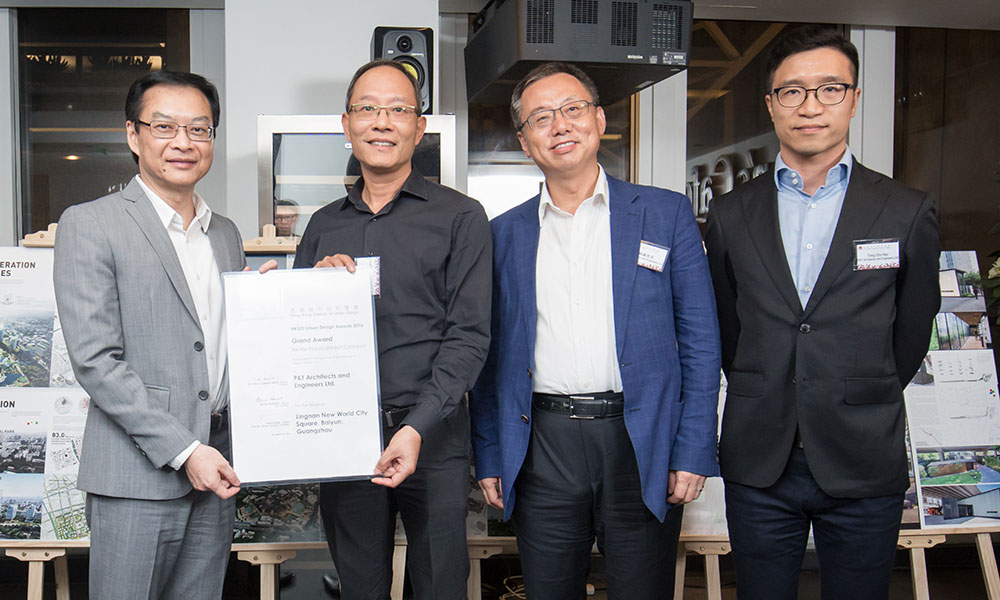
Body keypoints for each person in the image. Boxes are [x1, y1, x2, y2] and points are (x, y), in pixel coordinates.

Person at [705, 25, 941, 600]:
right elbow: (728, 327)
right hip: (761, 456)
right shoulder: (731, 213)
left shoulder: (905, 210)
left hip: (862, 452)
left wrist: (859, 387)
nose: (810, 107)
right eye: (792, 91)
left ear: (854, 99)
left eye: (830, 89)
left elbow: (913, 328)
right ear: (771, 104)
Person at [470, 62, 721, 599]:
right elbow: (490, 358)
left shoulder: (665, 214)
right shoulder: (502, 235)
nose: (559, 125)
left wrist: (694, 448)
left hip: (641, 440)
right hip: (542, 446)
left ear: (600, 120)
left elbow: (701, 342)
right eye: (541, 117)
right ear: (525, 141)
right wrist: (490, 453)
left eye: (572, 109)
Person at [293, 60, 491, 600]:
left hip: (433, 434)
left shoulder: (461, 217)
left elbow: (470, 336)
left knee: (440, 584)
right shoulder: (323, 225)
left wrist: (417, 426)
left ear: (419, 127)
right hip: (344, 437)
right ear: (347, 124)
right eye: (367, 109)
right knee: (359, 586)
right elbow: (296, 341)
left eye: (398, 110)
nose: (382, 121)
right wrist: (302, 292)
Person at [54, 71, 251, 599]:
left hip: (217, 466)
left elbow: (224, 342)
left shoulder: (225, 233)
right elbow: (96, 360)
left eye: (199, 129)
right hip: (136, 476)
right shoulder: (90, 224)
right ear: (133, 134)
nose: (183, 142)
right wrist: (186, 450)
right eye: (164, 126)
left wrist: (279, 302)